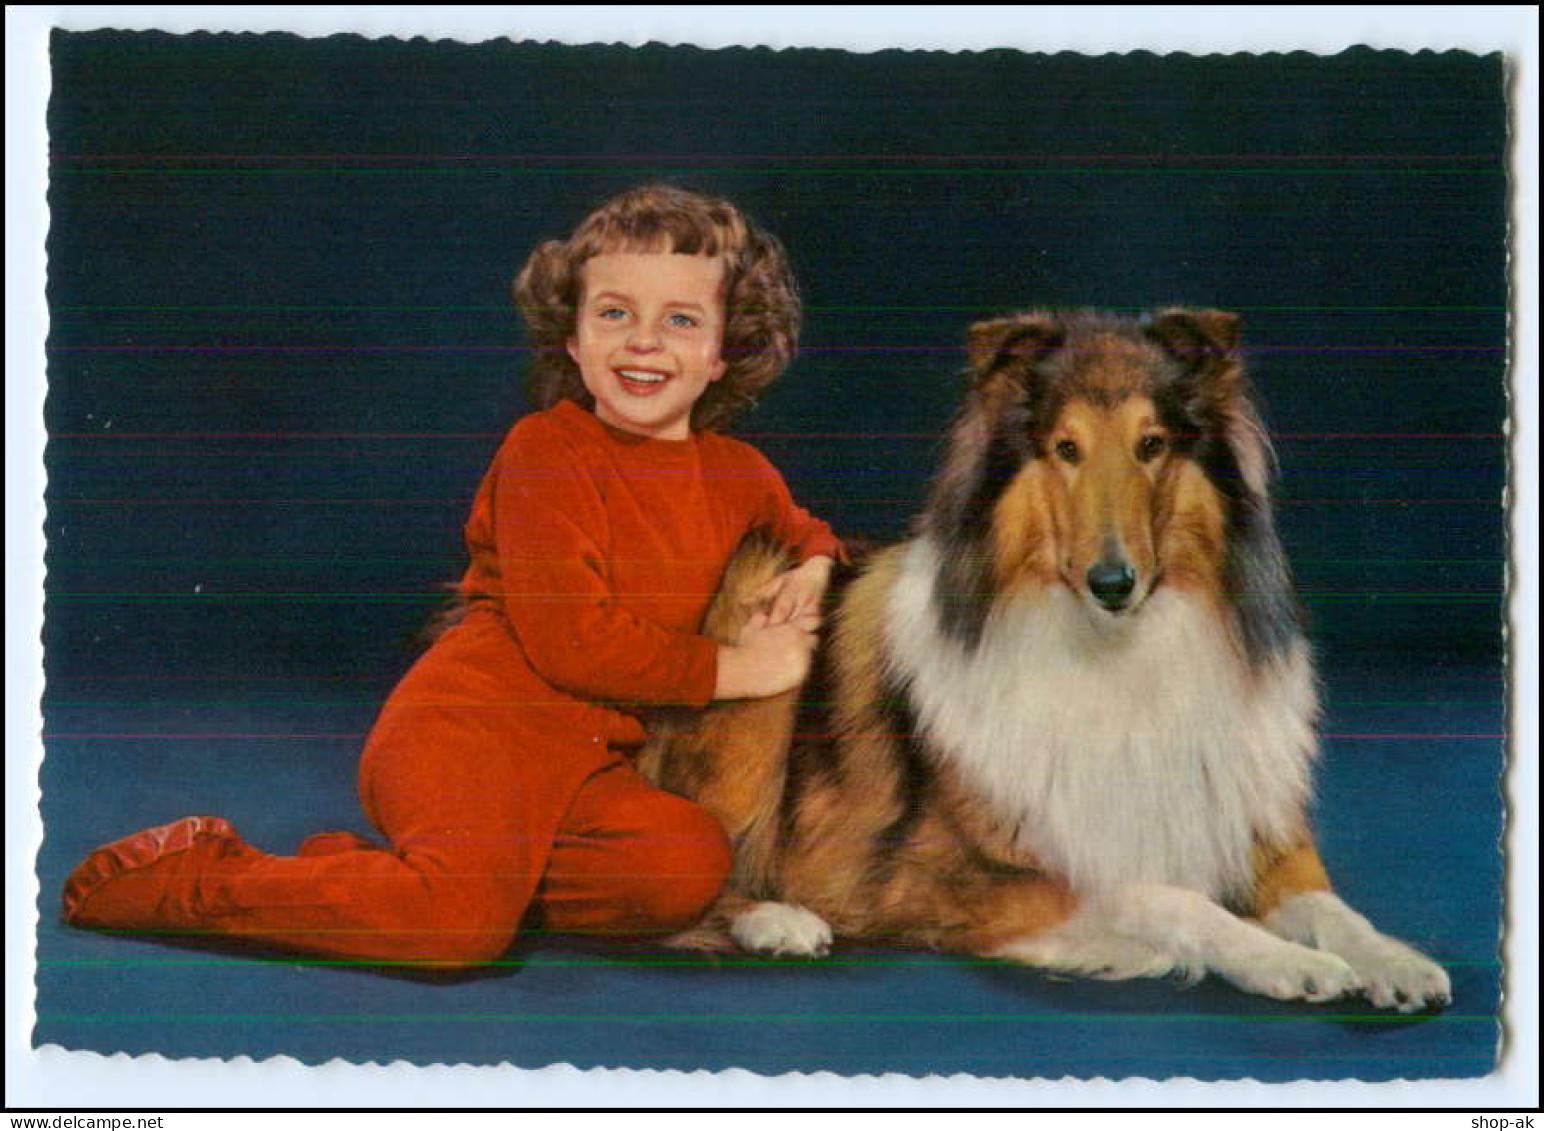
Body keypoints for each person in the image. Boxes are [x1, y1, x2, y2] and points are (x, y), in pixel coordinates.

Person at [61, 185, 843, 969]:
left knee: (682, 865)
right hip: (465, 732)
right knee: (457, 933)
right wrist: (741, 668)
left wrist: (812, 567)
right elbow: (576, 644)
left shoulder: (739, 473)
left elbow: (807, 531)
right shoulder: (545, 452)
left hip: (580, 766)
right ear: (571, 338)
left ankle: (395, 878)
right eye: (613, 313)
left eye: (681, 320)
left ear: (723, 352)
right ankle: (201, 878)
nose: (644, 342)